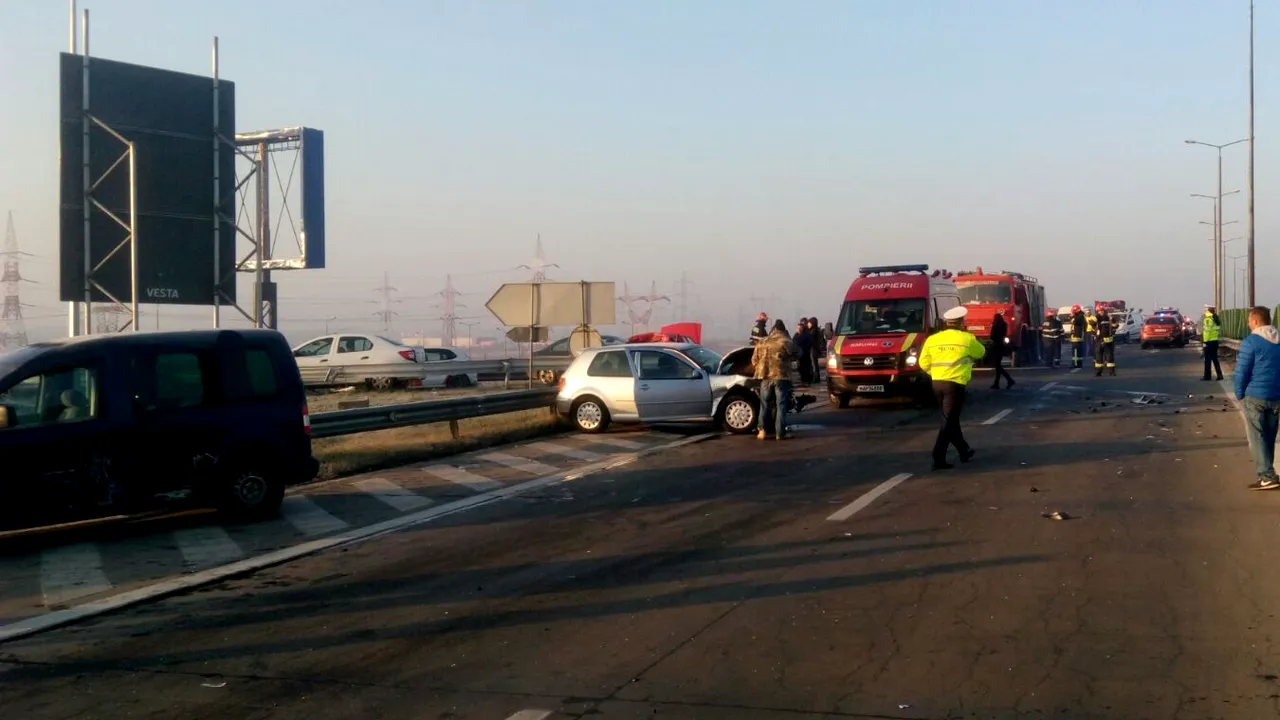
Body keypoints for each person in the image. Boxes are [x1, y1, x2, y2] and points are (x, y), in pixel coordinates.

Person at [919, 306, 986, 470]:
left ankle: (964, 450)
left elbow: (923, 363)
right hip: (954, 384)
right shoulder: (967, 338)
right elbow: (981, 353)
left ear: (946, 322)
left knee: (951, 419)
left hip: (936, 383)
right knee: (948, 421)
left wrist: (934, 372)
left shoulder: (933, 339)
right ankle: (938, 457)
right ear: (962, 322)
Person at [1233, 306, 1280, 490]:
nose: (1247, 323)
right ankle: (1269, 472)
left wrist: (1239, 393)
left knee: (1256, 436)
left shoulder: (1251, 342)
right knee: (1269, 436)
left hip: (1256, 396)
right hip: (1276, 395)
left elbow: (1241, 372)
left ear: (1256, 321)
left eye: (1249, 320)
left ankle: (1267, 475)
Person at [751, 319, 798, 440]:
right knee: (781, 404)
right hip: (780, 377)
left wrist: (761, 367)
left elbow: (754, 361)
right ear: (783, 330)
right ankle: (780, 433)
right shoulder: (785, 341)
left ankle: (762, 431)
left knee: (764, 404)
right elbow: (798, 353)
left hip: (765, 377)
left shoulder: (762, 341)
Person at [987, 310, 1015, 389]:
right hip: (1001, 346)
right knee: (998, 366)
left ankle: (1009, 380)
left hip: (996, 346)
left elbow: (992, 336)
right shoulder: (1004, 325)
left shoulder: (995, 326)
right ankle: (998, 383)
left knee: (997, 366)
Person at [1092, 303, 1116, 376]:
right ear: (1097, 312)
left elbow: (1115, 326)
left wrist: (1113, 320)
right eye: (1099, 311)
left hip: (1108, 341)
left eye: (1102, 310)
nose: (1101, 312)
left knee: (1109, 357)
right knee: (1099, 357)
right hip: (1099, 340)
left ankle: (1112, 372)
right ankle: (1098, 372)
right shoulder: (1096, 318)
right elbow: (1092, 324)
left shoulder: (1108, 318)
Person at [1202, 303, 1224, 381]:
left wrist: (1205, 342)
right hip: (1215, 341)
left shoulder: (1208, 319)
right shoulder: (1215, 318)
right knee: (1215, 359)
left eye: (1205, 309)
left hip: (1209, 342)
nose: (1204, 310)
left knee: (1207, 360)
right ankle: (1220, 375)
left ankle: (1207, 376)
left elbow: (1207, 331)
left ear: (1208, 310)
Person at [792, 319, 814, 384]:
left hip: (805, 354)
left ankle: (806, 379)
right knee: (800, 368)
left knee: (806, 368)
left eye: (800, 328)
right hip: (799, 354)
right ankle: (803, 378)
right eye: (798, 328)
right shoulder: (796, 335)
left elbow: (800, 341)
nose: (798, 329)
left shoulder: (806, 334)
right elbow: (793, 342)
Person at [1068, 304, 1087, 369]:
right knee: (1077, 351)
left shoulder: (1080, 316)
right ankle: (1078, 364)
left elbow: (1075, 322)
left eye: (1073, 311)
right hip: (1076, 336)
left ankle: (1076, 364)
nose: (1073, 312)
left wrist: (1072, 317)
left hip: (1077, 337)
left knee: (1076, 351)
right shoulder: (1080, 316)